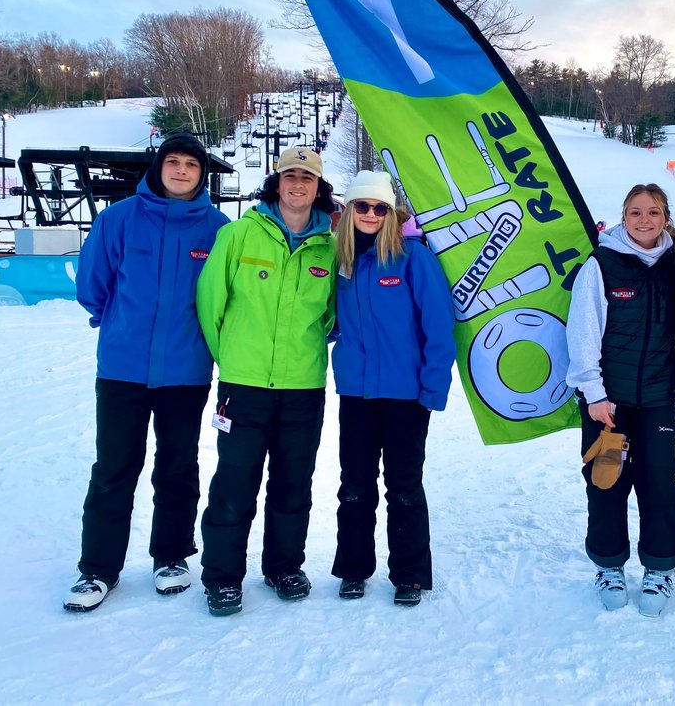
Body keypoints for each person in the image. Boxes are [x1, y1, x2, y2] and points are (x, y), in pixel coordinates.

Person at [64, 133, 229, 612]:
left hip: (185, 370)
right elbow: (93, 286)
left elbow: (222, 298)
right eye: (172, 162)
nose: (181, 171)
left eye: (191, 165)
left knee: (177, 467)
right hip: (123, 369)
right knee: (114, 468)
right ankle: (98, 568)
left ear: (202, 174)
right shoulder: (118, 219)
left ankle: (171, 556)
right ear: (158, 168)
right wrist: (117, 325)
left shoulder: (218, 230)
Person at [196, 146, 337, 617]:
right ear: (276, 182)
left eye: (308, 179)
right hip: (244, 386)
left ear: (319, 188)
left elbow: (333, 316)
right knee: (234, 482)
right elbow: (209, 303)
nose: (298, 185)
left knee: (293, 482)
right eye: (290, 176)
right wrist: (233, 361)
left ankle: (283, 566)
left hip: (303, 387)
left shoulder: (331, 247)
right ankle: (222, 577)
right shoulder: (237, 235)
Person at [329, 171, 455, 606]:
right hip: (357, 393)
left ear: (391, 213)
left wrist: (433, 388)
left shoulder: (411, 257)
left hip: (406, 395)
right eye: (361, 206)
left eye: (379, 208)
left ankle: (410, 573)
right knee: (355, 484)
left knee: (403, 484)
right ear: (348, 211)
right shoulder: (338, 259)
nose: (369, 214)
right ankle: (352, 569)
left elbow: (439, 324)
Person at [567, 183, 675, 617]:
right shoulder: (602, 264)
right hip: (608, 404)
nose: (644, 221)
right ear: (623, 216)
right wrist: (593, 393)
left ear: (666, 218)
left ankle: (659, 567)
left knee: (659, 482)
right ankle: (609, 564)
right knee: (606, 482)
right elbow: (582, 331)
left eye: (653, 213)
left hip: (656, 398)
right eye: (635, 213)